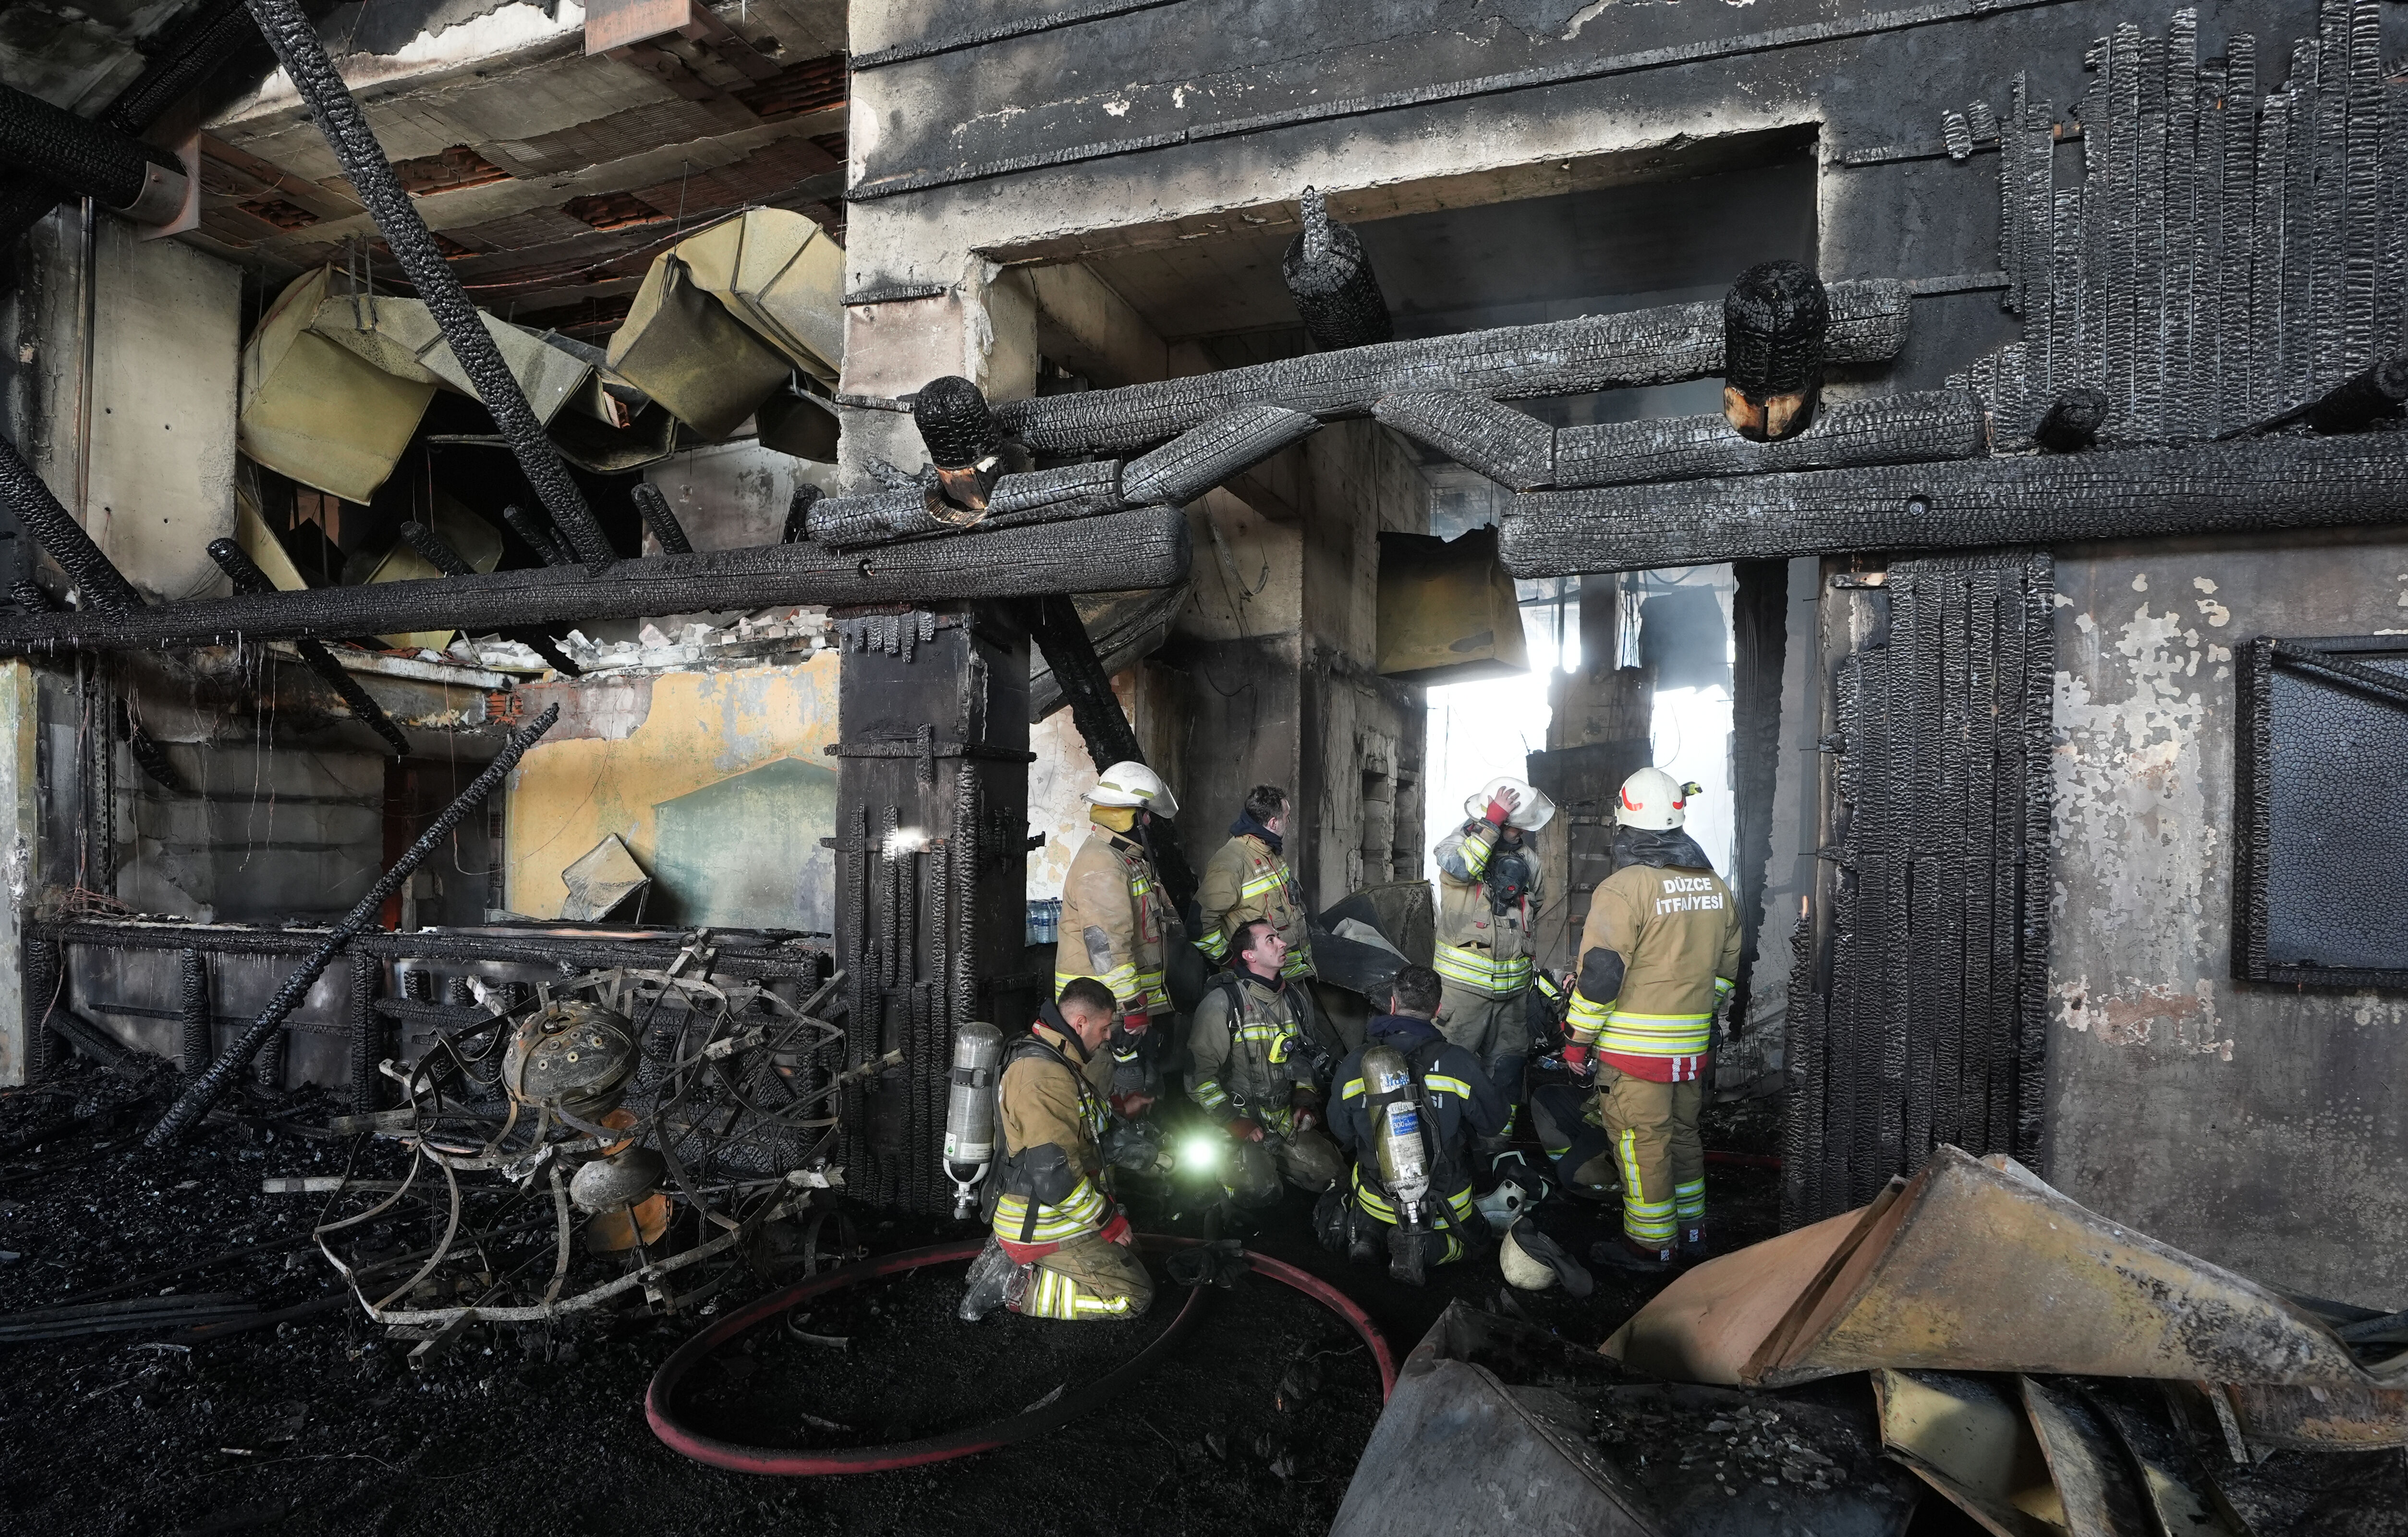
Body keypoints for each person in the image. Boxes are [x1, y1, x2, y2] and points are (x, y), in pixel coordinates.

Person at [1558, 767, 1741, 1272]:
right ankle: (1692, 1230)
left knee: (1642, 1147)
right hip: (1689, 1051)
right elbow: (1725, 972)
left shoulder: (1625, 887)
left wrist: (1577, 1042)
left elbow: (1600, 976)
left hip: (1634, 1056)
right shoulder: (1714, 887)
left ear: (1626, 821)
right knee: (1683, 1136)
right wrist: (1695, 1016)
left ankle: (1649, 1245)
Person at [960, 978, 1155, 1321]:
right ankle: (1018, 1288)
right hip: (1040, 1221)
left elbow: (1075, 1120)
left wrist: (1121, 1109)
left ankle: (1022, 1264)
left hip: (1045, 1211)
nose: (1109, 1036)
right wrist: (1109, 1223)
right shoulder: (1044, 1077)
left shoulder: (1056, 1059)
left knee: (1131, 1249)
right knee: (1133, 1297)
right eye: (1104, 1028)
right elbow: (1056, 1180)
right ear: (1080, 1023)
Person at [1318, 963, 1508, 1279]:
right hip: (1445, 1204)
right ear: (1438, 1008)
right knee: (1479, 1243)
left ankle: (1367, 1235)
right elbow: (1494, 1124)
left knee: (1361, 1182)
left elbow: (1342, 1132)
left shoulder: (1356, 1064)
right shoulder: (1460, 1063)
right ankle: (1425, 1249)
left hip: (1375, 1198)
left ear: (1392, 1004)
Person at [1431, 775, 1555, 1160]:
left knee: (1506, 1074)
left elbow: (1538, 901)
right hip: (1462, 996)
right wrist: (1491, 823)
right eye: (1515, 825)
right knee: (1449, 1072)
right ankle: (1446, 1155)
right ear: (1499, 820)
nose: (1522, 833)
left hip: (1512, 1000)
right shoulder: (1457, 847)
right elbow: (1463, 869)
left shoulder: (1526, 859)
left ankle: (1495, 1156)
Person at [1054, 760, 1182, 1117]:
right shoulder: (1103, 866)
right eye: (1145, 814)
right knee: (1112, 1101)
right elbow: (1107, 948)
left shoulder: (1124, 860)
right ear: (1128, 816)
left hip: (1119, 1014)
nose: (1150, 823)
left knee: (1140, 1097)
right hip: (1108, 1019)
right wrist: (1133, 1011)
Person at [1187, 918, 1344, 1203]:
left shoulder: (1295, 998)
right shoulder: (1223, 1004)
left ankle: (1279, 1170)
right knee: (1258, 1193)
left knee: (1331, 1174)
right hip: (1238, 1121)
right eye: (1271, 940)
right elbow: (1199, 1077)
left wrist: (1304, 1099)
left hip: (1283, 1120)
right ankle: (1229, 1189)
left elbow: (1308, 1055)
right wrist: (1233, 1121)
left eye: (1279, 937)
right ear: (1250, 956)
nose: (1283, 943)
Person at [1196, 784, 1313, 982]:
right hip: (1258, 984)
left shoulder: (1270, 850)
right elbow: (1199, 925)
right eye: (1287, 817)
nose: (1290, 822)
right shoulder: (1232, 862)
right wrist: (1230, 960)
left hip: (1293, 976)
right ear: (1274, 823)